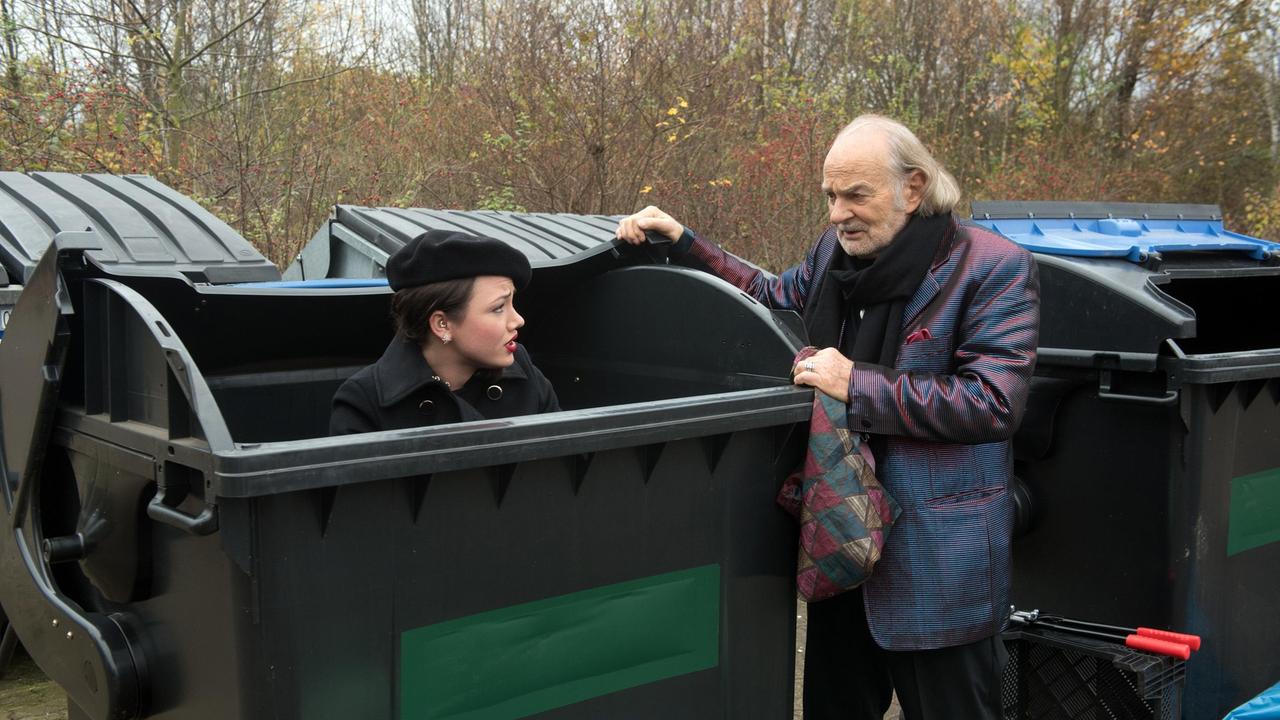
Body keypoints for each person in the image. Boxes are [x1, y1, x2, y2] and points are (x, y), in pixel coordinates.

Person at [616, 114, 1040, 720]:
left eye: (855, 195)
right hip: (840, 535)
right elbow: (771, 297)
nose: (838, 213)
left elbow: (992, 403)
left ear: (913, 188)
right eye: (831, 196)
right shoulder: (835, 253)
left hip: (935, 567)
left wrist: (856, 383)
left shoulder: (992, 267)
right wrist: (686, 243)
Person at [330, 229, 559, 435]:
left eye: (512, 304)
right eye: (498, 308)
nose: (518, 320)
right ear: (442, 325)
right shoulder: (364, 403)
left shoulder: (525, 376)